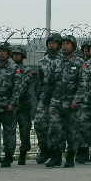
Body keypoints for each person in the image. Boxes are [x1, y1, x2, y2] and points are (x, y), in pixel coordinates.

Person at [41, 35, 83, 168]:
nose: (64, 46)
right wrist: (47, 102)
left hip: (71, 103)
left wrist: (77, 100)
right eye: (63, 44)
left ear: (73, 46)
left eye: (67, 44)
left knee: (72, 131)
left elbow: (83, 84)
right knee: (54, 129)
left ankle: (70, 157)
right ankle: (56, 156)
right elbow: (50, 84)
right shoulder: (56, 63)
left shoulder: (79, 63)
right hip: (56, 101)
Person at [34, 33, 62, 164]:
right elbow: (39, 81)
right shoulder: (42, 61)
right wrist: (39, 96)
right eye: (49, 43)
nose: (51, 45)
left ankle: (56, 151)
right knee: (40, 124)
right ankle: (44, 149)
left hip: (59, 97)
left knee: (56, 126)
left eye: (54, 43)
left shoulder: (64, 60)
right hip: (44, 97)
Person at [11, 45, 37, 165]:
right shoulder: (9, 69)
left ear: (23, 56)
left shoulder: (27, 70)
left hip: (23, 105)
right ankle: (9, 153)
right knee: (10, 130)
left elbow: (23, 85)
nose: (16, 56)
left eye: (18, 54)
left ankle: (23, 153)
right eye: (14, 54)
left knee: (24, 130)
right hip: (10, 105)